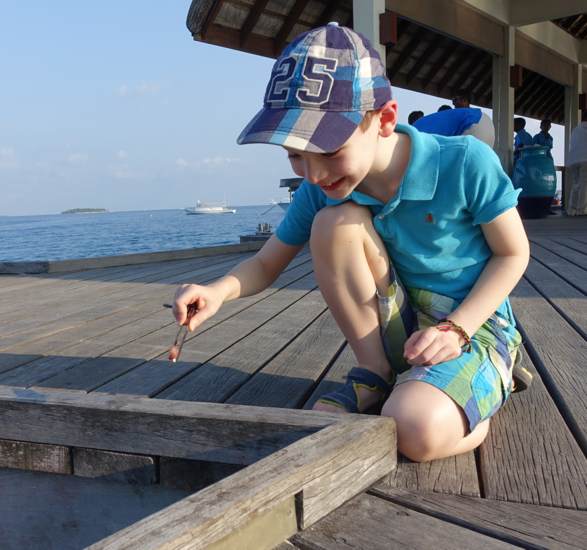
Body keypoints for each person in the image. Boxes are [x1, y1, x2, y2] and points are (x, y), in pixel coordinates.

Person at [172, 23, 529, 463]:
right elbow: (266, 265)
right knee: (333, 222)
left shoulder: (464, 162)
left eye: (329, 150)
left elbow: (514, 253)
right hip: (404, 326)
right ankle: (376, 373)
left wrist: (458, 328)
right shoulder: (321, 187)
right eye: (296, 156)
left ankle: (486, 395)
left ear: (385, 119)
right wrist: (216, 292)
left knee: (412, 429)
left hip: (473, 325)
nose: (315, 174)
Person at [568, 110, 587, 216]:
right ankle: (582, 210)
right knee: (584, 184)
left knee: (576, 185)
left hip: (573, 159)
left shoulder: (576, 129)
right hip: (585, 159)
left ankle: (571, 209)